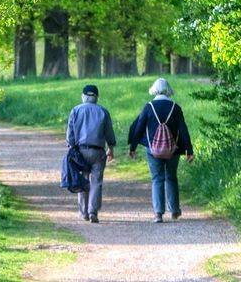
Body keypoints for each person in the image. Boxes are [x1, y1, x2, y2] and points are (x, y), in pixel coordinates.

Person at [127, 78, 194, 222]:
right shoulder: (175, 108)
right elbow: (183, 129)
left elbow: (139, 127)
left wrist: (132, 147)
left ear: (154, 89)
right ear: (168, 90)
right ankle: (174, 210)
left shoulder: (149, 107)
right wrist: (189, 151)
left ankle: (158, 213)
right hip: (173, 149)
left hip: (153, 150)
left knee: (157, 179)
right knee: (171, 177)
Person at [66, 84, 117, 223]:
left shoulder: (76, 110)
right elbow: (109, 133)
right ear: (96, 97)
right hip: (98, 151)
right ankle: (93, 211)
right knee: (96, 182)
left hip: (80, 151)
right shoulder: (103, 111)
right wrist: (111, 147)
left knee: (82, 180)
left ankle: (83, 212)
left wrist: (71, 147)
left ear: (83, 96)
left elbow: (70, 133)